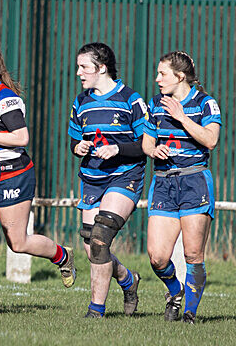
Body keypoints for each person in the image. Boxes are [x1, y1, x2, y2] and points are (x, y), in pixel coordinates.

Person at [0, 45, 76, 305]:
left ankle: (62, 256)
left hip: (13, 173)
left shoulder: (5, 98)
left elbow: (21, 137)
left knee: (17, 242)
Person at [68, 42, 146, 318]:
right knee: (92, 249)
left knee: (101, 239)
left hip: (125, 175)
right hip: (91, 178)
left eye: (84, 67)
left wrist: (118, 148)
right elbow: (75, 139)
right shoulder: (81, 102)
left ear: (101, 68)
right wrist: (77, 147)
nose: (78, 72)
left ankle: (95, 311)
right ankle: (127, 279)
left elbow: (146, 145)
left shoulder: (130, 100)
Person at [142, 51, 220, 324]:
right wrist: (154, 150)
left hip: (194, 181)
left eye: (162, 74)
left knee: (192, 253)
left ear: (180, 76)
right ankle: (176, 292)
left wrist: (182, 117)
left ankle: (189, 313)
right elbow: (146, 143)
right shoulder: (155, 103)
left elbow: (211, 140)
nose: (157, 79)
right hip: (163, 182)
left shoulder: (205, 103)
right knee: (157, 257)